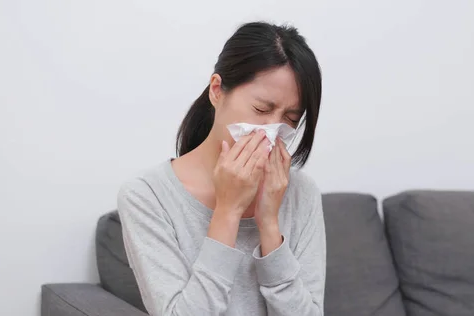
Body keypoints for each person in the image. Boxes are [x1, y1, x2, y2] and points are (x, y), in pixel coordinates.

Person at [117, 21, 325, 316]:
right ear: (217, 91)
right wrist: (228, 211)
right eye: (262, 110)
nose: (272, 129)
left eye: (290, 118)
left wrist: (269, 225)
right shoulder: (147, 196)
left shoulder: (301, 193)